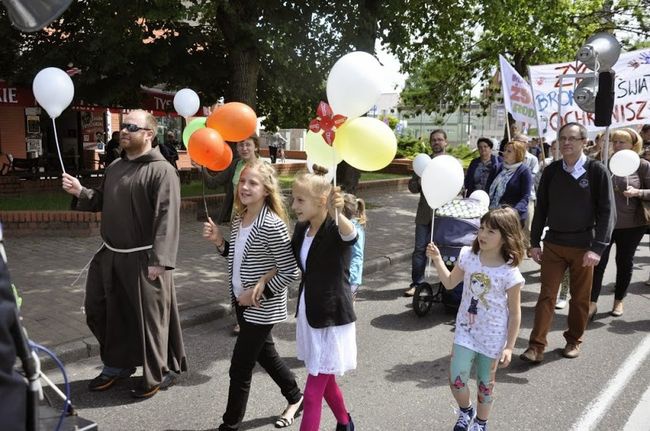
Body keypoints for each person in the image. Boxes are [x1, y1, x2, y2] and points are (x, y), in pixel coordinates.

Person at [61, 110, 186, 398]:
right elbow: (102, 201)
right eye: (123, 125)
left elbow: (167, 218)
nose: (125, 130)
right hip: (111, 254)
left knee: (149, 321)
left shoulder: (163, 170)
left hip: (145, 259)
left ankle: (158, 372)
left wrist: (161, 261)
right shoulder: (115, 166)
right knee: (101, 309)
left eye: (132, 126)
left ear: (149, 134)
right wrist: (81, 191)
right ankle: (117, 364)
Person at [202, 160, 303, 431]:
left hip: (261, 307)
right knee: (266, 355)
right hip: (239, 301)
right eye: (242, 181)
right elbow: (234, 257)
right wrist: (218, 241)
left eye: (253, 183)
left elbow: (290, 271)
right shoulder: (240, 217)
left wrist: (257, 295)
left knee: (240, 367)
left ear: (266, 189)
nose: (245, 187)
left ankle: (230, 423)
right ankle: (296, 396)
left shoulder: (272, 224)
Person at [521, 122, 615, 362]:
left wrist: (598, 248)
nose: (566, 142)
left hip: (584, 246)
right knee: (547, 296)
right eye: (562, 138)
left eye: (572, 138)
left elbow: (607, 212)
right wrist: (534, 242)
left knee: (580, 298)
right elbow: (541, 208)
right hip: (554, 243)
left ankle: (574, 340)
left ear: (584, 141)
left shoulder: (597, 171)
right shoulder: (551, 171)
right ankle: (536, 346)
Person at [426, 206, 525, 431]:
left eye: (491, 231)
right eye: (481, 228)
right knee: (456, 377)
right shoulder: (468, 256)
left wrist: (509, 346)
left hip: (492, 337)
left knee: (485, 384)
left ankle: (480, 423)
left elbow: (516, 313)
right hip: (465, 330)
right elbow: (450, 283)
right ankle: (465, 410)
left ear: (505, 236)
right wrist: (438, 260)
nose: (482, 235)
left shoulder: (510, 273)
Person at [290, 167, 357, 431]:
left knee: (314, 389)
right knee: (324, 379)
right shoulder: (301, 229)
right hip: (309, 311)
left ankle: (344, 422)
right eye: (293, 198)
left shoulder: (334, 228)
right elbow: (287, 262)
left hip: (332, 317)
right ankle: (345, 422)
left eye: (300, 200)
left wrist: (337, 211)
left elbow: (351, 236)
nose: (294, 205)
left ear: (321, 201)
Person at [589, 128, 649, 318]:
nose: (617, 145)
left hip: (632, 224)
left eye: (622, 142)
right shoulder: (603, 163)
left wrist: (638, 192)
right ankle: (592, 303)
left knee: (624, 262)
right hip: (604, 224)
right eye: (614, 141)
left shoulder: (643, 165)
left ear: (633, 144)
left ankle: (619, 301)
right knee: (598, 263)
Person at [405, 129, 449, 297]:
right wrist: (419, 180)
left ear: (445, 142)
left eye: (440, 139)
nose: (437, 142)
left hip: (445, 215)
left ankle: (446, 284)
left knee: (445, 250)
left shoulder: (450, 163)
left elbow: (458, 187)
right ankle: (417, 283)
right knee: (419, 249)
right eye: (434, 140)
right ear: (431, 143)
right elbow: (412, 188)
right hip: (424, 214)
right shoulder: (423, 162)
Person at [205, 136, 260, 224]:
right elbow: (212, 183)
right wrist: (202, 167)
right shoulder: (235, 165)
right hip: (236, 219)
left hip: (258, 218)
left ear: (256, 147)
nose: (244, 148)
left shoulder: (264, 168)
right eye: (241, 145)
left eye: (248, 145)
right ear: (237, 148)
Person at [485, 140, 532, 225]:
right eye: (505, 150)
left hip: (510, 218)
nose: (504, 153)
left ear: (518, 154)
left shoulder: (524, 171)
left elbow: (525, 197)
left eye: (509, 151)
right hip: (491, 213)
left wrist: (514, 210)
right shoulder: (497, 167)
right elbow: (487, 189)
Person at [342, 193, 367, 300]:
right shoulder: (346, 226)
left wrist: (349, 276)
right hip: (345, 277)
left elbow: (357, 255)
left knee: (347, 310)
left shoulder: (354, 229)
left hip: (351, 278)